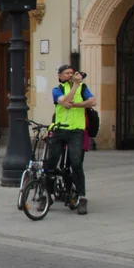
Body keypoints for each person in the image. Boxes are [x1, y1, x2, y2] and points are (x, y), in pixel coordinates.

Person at [48, 65, 96, 215]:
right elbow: (65, 102)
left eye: (71, 73)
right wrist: (75, 86)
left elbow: (93, 101)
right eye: (67, 73)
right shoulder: (58, 90)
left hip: (76, 131)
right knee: (50, 163)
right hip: (60, 130)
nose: (70, 75)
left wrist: (76, 104)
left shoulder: (82, 87)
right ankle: (48, 194)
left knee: (76, 163)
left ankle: (82, 197)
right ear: (60, 76)